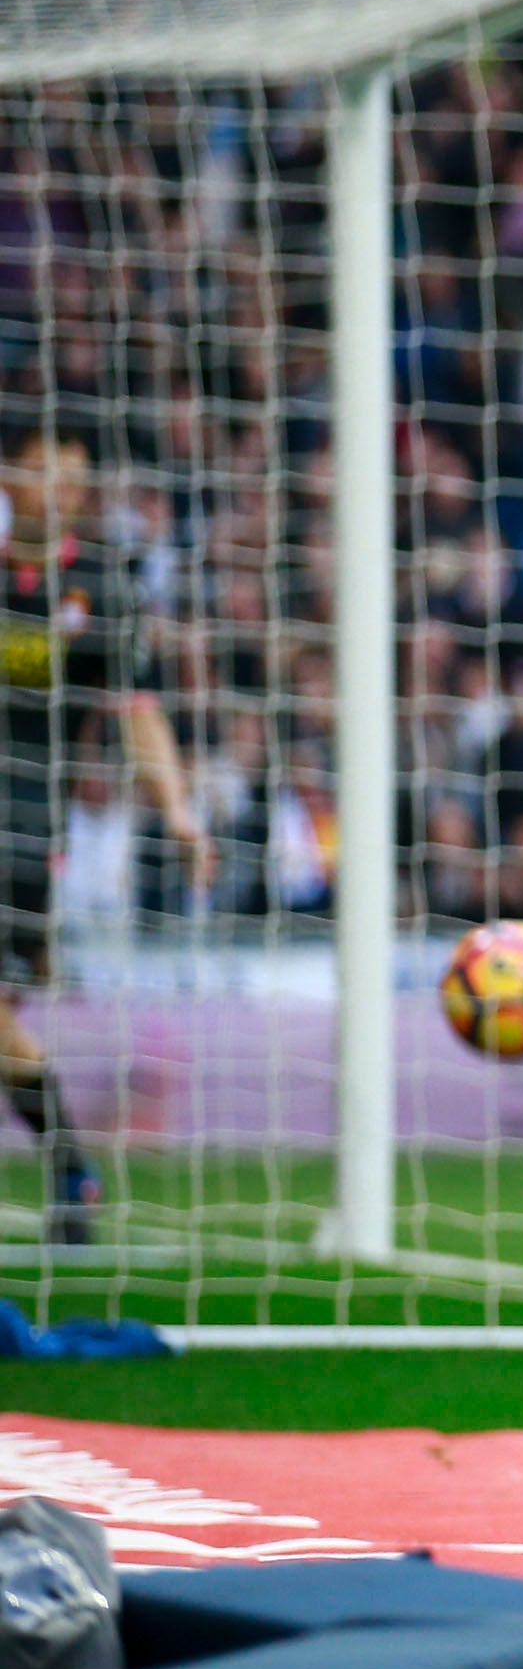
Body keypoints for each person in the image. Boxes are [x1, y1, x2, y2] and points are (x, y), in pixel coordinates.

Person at [2, 418, 214, 1244]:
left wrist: (179, 809)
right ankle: (70, 1169)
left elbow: (136, 713)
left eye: (76, 479)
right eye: (46, 472)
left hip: (19, 829)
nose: (65, 492)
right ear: (11, 481)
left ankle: (70, 1169)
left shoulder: (100, 586)